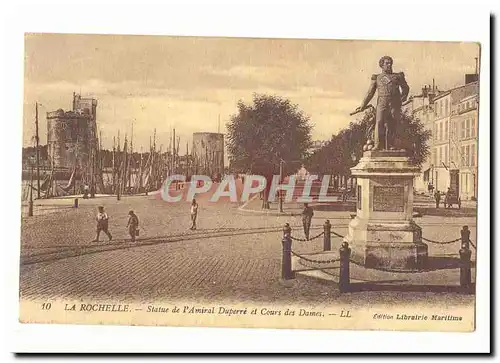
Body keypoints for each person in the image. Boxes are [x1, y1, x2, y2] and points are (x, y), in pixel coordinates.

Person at [353, 56, 410, 151]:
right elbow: (370, 92)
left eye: (390, 63)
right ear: (381, 65)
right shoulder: (377, 78)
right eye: (387, 63)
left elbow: (406, 88)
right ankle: (377, 145)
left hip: (394, 103)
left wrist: (402, 99)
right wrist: (363, 105)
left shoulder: (397, 76)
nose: (389, 65)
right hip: (382, 102)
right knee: (379, 122)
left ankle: (392, 145)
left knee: (393, 123)